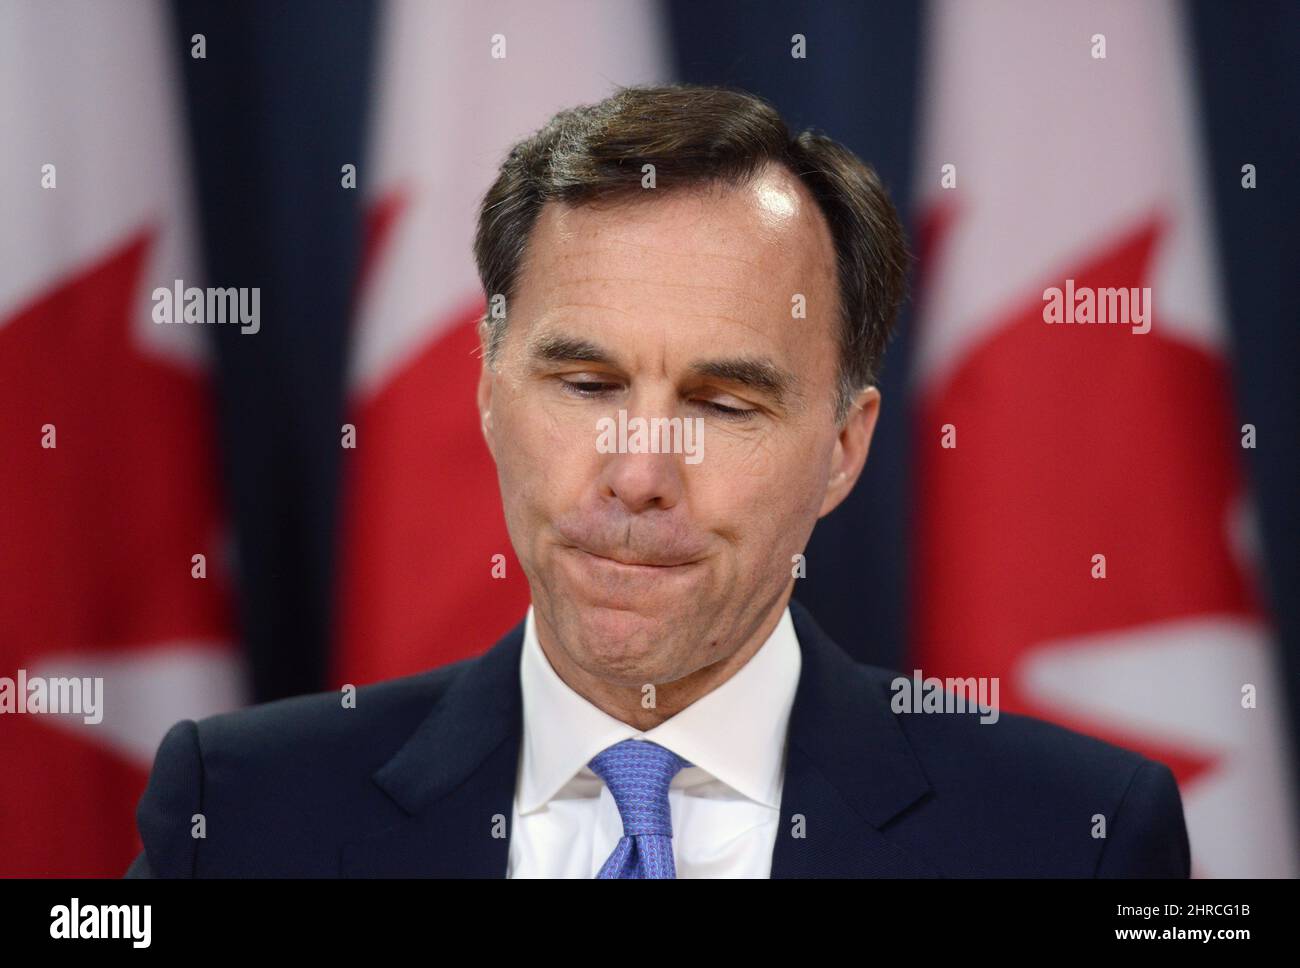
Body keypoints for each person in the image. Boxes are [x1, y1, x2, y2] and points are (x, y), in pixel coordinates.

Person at [126, 84, 1190, 878]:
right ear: (491, 395)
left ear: (842, 448)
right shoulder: (240, 813)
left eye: (723, 403)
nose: (637, 474)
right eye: (585, 382)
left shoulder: (1072, 835)